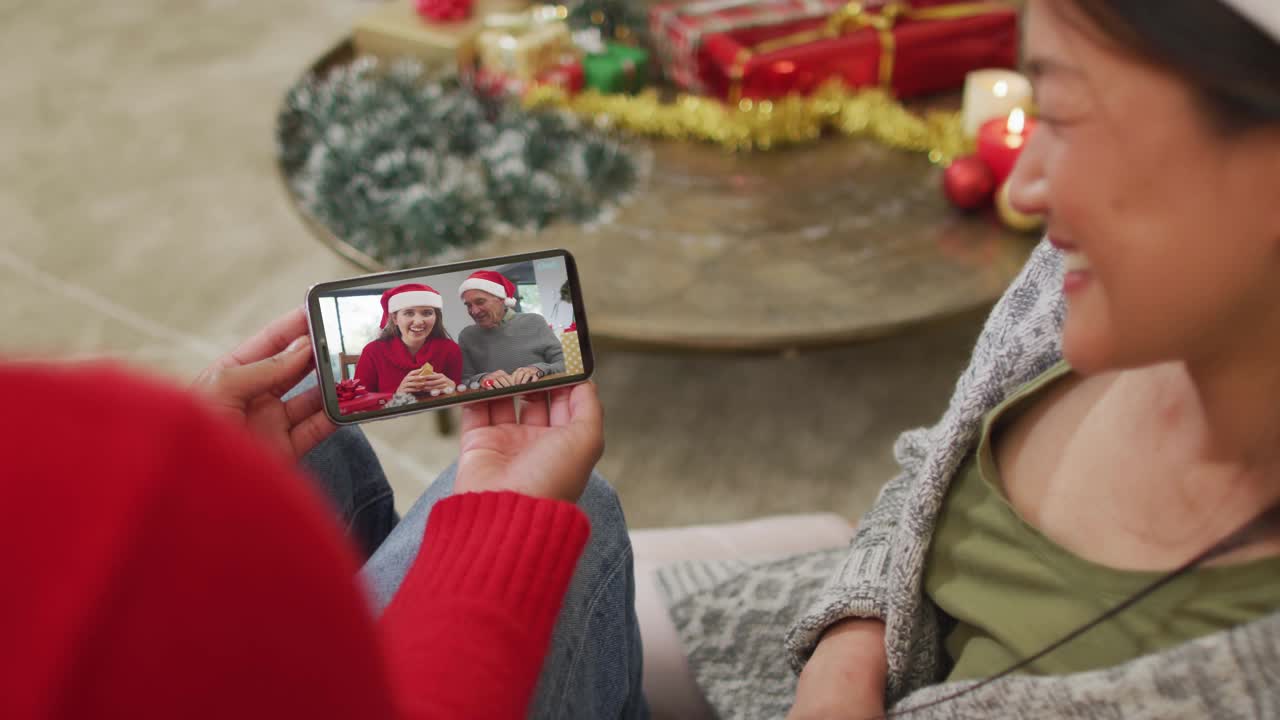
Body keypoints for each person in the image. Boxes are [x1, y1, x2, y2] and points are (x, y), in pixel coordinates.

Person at [656, 1, 1280, 717]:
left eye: (1068, 114)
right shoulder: (1080, 283)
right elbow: (933, 470)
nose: (1021, 187)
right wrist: (848, 653)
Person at [2, 308, 647, 719]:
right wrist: (496, 537)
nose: (429, 322)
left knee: (319, 439)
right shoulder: (391, 348)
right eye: (417, 314)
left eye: (435, 313)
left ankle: (379, 573)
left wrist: (196, 483)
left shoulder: (473, 343)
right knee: (576, 508)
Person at [457, 270, 565, 388]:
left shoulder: (535, 322)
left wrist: (538, 369)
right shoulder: (467, 336)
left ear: (501, 299)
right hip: (496, 403)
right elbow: (464, 380)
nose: (474, 311)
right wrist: (483, 378)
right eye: (468, 305)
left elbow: (565, 363)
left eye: (480, 302)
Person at [354, 283, 463, 396]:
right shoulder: (372, 351)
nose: (418, 321)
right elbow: (360, 400)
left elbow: (461, 396)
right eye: (409, 313)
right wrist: (396, 395)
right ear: (395, 318)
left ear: (436, 317)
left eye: (427, 313)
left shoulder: (451, 349)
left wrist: (453, 387)